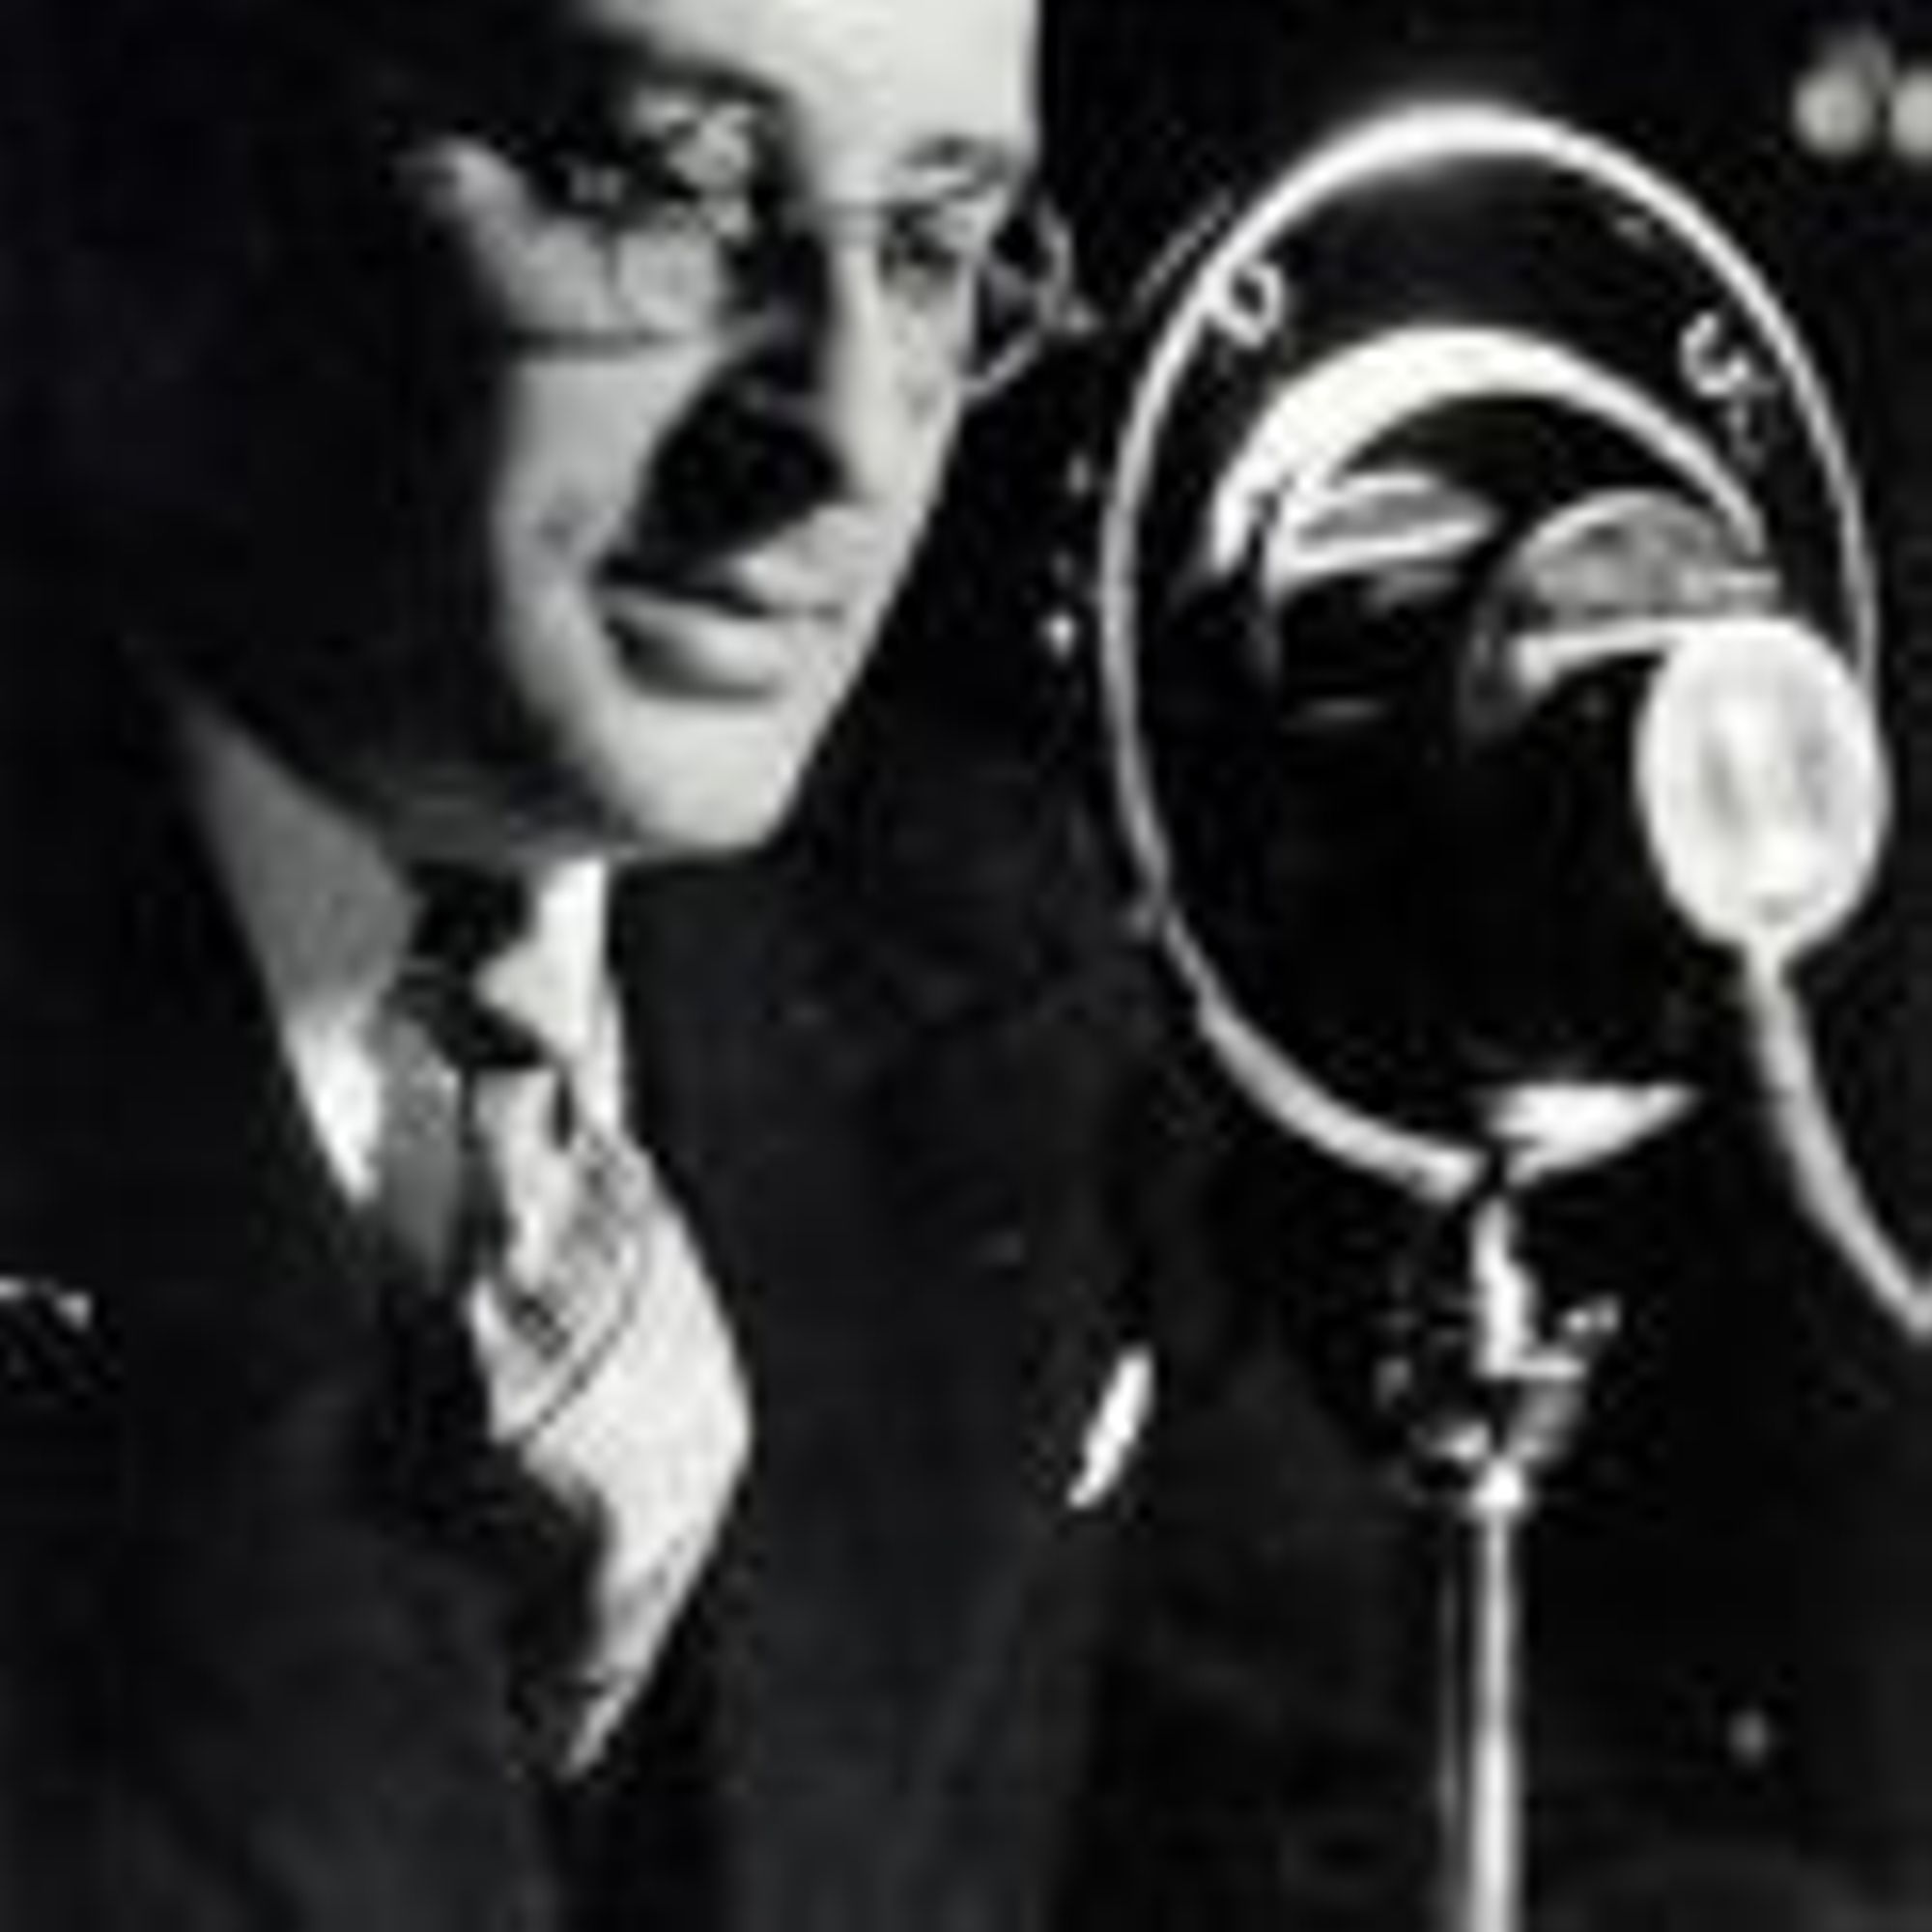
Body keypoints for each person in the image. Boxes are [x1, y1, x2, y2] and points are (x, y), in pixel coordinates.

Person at [0, 0, 1423, 1927]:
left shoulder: (984, 954)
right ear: (181, 183)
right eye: (661, 191)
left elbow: (1384, 1826)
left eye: (932, 247)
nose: (846, 432)